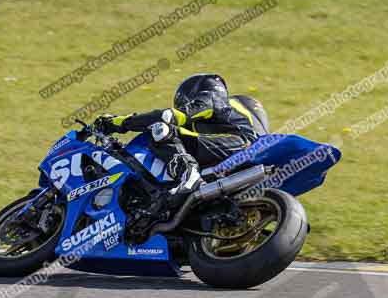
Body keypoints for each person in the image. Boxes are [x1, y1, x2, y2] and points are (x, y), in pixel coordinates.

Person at [96, 74, 267, 203]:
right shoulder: (227, 116)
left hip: (239, 145)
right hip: (236, 150)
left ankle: (188, 175)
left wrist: (119, 122)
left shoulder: (213, 98)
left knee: (162, 129)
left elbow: (167, 117)